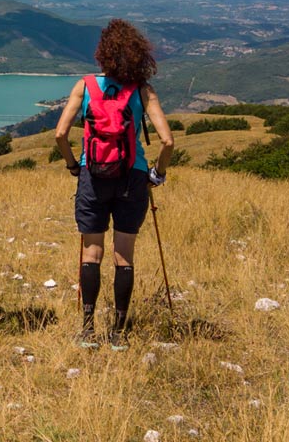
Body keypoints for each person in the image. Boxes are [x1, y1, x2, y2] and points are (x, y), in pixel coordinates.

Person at [55, 18, 174, 350]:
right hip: (132, 178)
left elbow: (60, 134)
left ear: (102, 54)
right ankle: (119, 333)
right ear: (138, 55)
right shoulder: (142, 91)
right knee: (124, 256)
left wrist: (73, 165)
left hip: (92, 175)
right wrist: (157, 174)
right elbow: (167, 142)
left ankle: (88, 329)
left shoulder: (85, 86)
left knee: (91, 252)